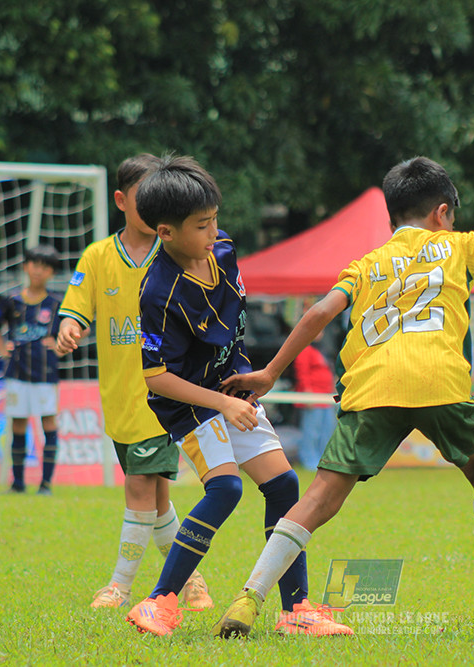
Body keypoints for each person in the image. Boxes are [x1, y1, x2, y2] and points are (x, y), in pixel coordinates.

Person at [212, 156, 474, 638]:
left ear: (392, 216)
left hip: (373, 384)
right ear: (443, 213)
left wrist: (271, 372)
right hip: (437, 380)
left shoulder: (365, 264)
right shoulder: (458, 246)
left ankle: (249, 598)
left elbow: (319, 312)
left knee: (318, 498)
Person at [122, 154, 350, 637]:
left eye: (214, 220)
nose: (213, 232)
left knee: (285, 486)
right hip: (190, 403)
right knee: (224, 488)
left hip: (233, 387)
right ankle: (159, 601)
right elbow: (156, 377)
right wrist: (221, 403)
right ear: (165, 232)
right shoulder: (157, 292)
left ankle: (298, 611)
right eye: (201, 225)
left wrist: (239, 386)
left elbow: (230, 324)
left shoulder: (223, 250)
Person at [54, 154, 210, 611]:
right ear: (122, 200)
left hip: (161, 394)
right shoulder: (99, 255)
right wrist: (70, 327)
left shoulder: (177, 255)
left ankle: (120, 586)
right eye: (148, 198)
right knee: (156, 498)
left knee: (140, 486)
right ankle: (193, 581)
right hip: (119, 396)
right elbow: (75, 307)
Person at [0, 245, 62, 495]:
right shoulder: (12, 301)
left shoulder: (55, 304)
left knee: (48, 422)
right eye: (35, 264)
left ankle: (46, 484)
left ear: (51, 272)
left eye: (45, 266)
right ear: (26, 266)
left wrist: (61, 345)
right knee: (18, 424)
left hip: (45, 372)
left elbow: (79, 327)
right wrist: (2, 348)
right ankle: (17, 483)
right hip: (17, 372)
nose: (38, 270)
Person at [292, 336, 337, 470]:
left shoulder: (322, 350)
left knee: (327, 431)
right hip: (313, 398)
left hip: (326, 398)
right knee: (311, 432)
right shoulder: (305, 350)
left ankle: (324, 460)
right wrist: (307, 393)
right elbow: (302, 373)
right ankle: (309, 461)